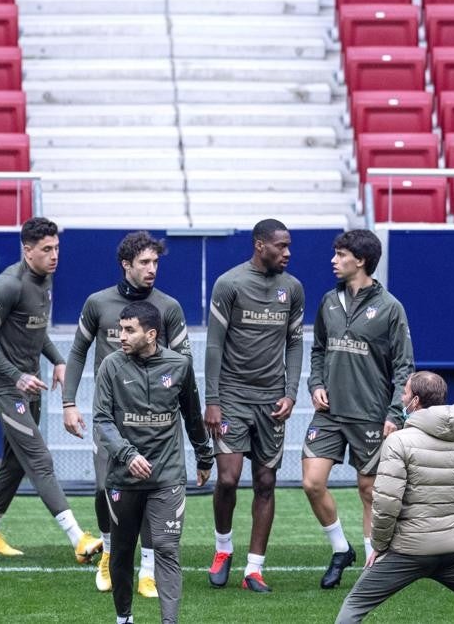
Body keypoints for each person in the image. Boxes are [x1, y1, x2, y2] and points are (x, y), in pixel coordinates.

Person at [334, 371, 454, 624]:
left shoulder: (397, 441)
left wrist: (379, 545)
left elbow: (386, 502)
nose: (401, 397)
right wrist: (452, 528)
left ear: (416, 400)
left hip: (406, 550)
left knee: (354, 605)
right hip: (453, 551)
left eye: (405, 393)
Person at [63, 231, 191, 596]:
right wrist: (69, 403)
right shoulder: (98, 303)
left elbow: (185, 363)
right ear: (126, 265)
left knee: (153, 489)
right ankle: (108, 551)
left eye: (156, 262)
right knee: (105, 487)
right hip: (113, 419)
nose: (152, 269)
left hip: (158, 422)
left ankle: (148, 570)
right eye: (145, 263)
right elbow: (77, 352)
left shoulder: (169, 307)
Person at [0, 217, 101, 561]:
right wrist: (16, 375)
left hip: (31, 384)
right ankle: (78, 538)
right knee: (39, 457)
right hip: (4, 385)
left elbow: (36, 329)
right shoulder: (7, 285)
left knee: (15, 462)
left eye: (57, 248)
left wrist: (58, 360)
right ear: (27, 251)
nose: (55, 255)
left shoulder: (46, 280)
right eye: (47, 250)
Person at [304, 228, 415, 590]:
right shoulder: (328, 301)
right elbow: (318, 348)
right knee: (312, 483)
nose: (333, 261)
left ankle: (372, 565)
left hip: (371, 414)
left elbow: (404, 367)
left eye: (340, 255)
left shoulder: (391, 307)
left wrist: (395, 415)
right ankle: (341, 549)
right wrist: (315, 384)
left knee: (368, 490)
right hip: (329, 413)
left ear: (361, 260)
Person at [94, 301, 213, 624]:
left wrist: (205, 456)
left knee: (166, 548)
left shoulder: (179, 365)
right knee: (120, 554)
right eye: (120, 329)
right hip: (122, 477)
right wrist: (128, 455)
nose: (121, 336)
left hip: (168, 476)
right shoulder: (110, 366)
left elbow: (192, 415)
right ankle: (124, 618)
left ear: (151, 334)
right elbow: (102, 420)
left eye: (129, 330)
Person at [204, 218, 305, 593]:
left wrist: (291, 392)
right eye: (281, 246)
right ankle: (222, 549)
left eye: (289, 245)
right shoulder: (229, 283)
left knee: (266, 481)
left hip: (271, 399)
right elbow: (214, 345)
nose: (288, 253)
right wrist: (212, 400)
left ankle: (254, 569)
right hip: (231, 395)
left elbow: (295, 343)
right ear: (260, 245)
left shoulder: (292, 288)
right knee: (228, 479)